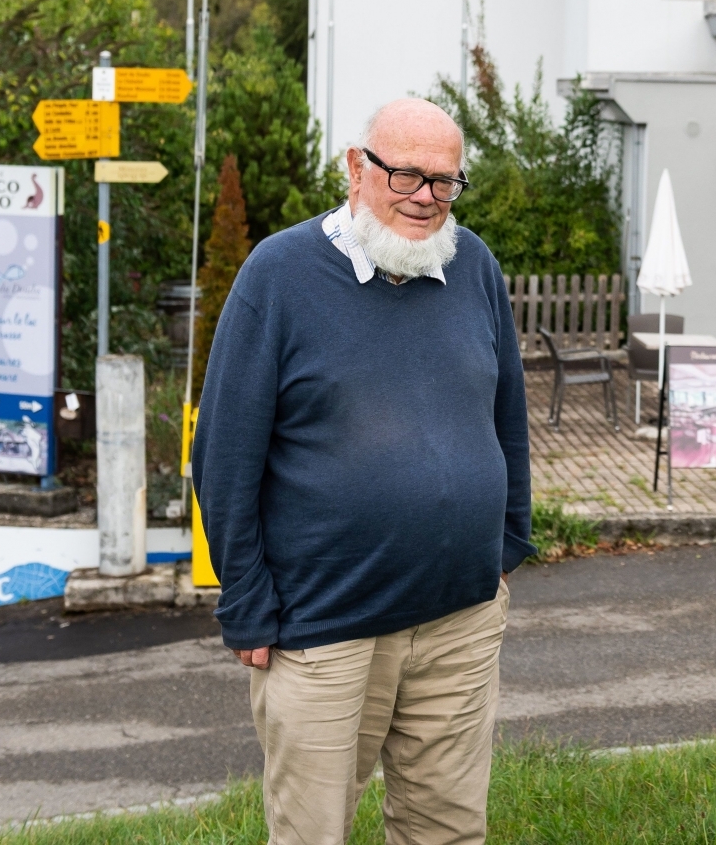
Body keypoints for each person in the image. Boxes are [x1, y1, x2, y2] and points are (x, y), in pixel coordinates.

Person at [194, 97, 533, 845]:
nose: (425, 199)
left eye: (444, 182)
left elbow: (506, 413)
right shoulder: (278, 276)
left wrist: (506, 545)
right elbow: (222, 455)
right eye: (405, 175)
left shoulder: (472, 264)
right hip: (323, 627)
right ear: (355, 168)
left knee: (446, 829)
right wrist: (246, 601)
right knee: (315, 833)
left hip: (461, 617)